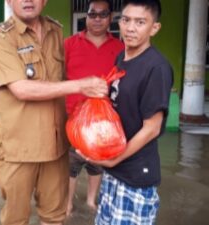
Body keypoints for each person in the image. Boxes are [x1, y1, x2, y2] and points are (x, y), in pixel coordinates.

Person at [0, 0, 109, 224]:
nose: (27, 0)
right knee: (16, 219)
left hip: (55, 148)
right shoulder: (0, 38)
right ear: (9, 1)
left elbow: (62, 78)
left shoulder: (55, 31)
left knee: (54, 217)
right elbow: (21, 89)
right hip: (18, 150)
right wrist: (80, 85)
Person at [79, 0, 173, 224]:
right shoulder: (121, 58)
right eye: (126, 20)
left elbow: (152, 128)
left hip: (135, 176)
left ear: (154, 28)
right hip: (113, 171)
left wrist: (114, 160)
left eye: (140, 22)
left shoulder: (156, 68)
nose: (131, 28)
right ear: (119, 22)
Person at [64, 0, 124, 216]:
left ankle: (91, 201)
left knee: (97, 164)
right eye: (93, 14)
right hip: (73, 118)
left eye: (102, 14)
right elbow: (59, 78)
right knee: (70, 166)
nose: (97, 19)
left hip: (105, 121)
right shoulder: (69, 44)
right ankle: (68, 204)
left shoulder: (120, 48)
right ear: (86, 17)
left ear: (110, 18)